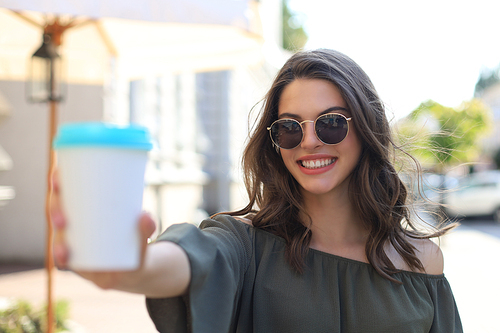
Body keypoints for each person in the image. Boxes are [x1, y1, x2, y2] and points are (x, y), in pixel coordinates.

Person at [51, 49, 463, 332]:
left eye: (331, 122)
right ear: (274, 140)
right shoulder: (245, 245)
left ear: (366, 128)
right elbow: (192, 258)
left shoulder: (423, 262)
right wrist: (132, 265)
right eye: (289, 127)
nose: (309, 141)